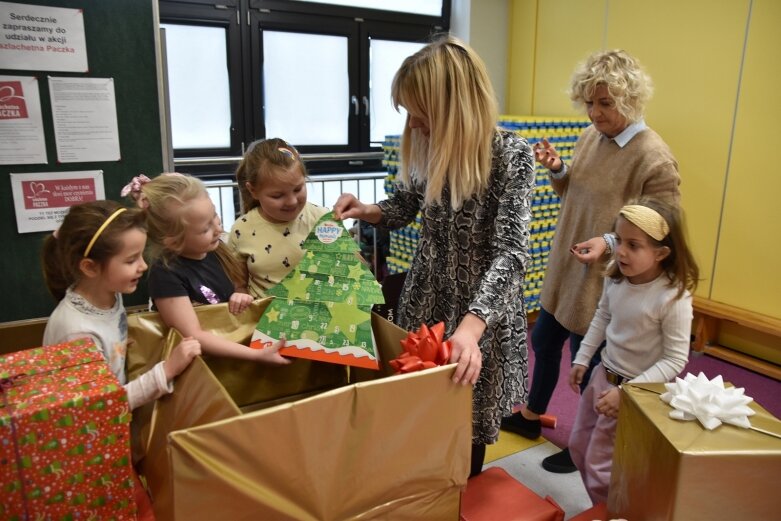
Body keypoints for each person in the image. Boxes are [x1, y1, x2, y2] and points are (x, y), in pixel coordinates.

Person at [333, 35, 536, 478]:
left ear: (450, 104)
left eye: (417, 110)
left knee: (466, 426)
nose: (414, 123)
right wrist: (367, 210)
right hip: (426, 301)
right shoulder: (428, 146)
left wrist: (472, 326)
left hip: (478, 314)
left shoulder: (511, 155)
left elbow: (512, 253)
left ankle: (460, 497)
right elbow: (405, 205)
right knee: (420, 410)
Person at [501, 49, 681, 474]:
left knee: (592, 368)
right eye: (589, 102)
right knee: (544, 343)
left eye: (605, 103)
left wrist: (607, 240)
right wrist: (559, 169)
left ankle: (583, 444)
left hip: (609, 280)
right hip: (568, 270)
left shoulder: (654, 157)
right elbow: (573, 192)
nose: (594, 112)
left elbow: (662, 227)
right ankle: (531, 417)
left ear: (631, 99)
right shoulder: (590, 137)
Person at [568, 198, 699, 504]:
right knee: (578, 446)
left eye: (634, 245)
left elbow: (675, 359)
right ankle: (603, 505)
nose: (621, 250)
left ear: (662, 253)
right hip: (603, 377)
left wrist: (628, 393)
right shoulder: (617, 276)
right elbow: (603, 316)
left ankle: (609, 510)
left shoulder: (672, 297)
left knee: (601, 466)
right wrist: (583, 358)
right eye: (619, 240)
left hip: (635, 393)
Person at [41, 200, 201, 410]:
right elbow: (99, 407)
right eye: (131, 260)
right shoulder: (76, 334)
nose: (143, 266)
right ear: (90, 267)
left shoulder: (110, 294)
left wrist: (115, 349)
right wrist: (167, 370)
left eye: (141, 256)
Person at [123, 173, 289, 365]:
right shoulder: (165, 274)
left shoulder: (215, 248)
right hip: (203, 366)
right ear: (173, 241)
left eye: (215, 216)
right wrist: (256, 355)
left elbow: (236, 286)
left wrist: (240, 295)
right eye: (205, 228)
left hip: (232, 352)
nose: (217, 229)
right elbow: (193, 335)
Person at [229, 138, 329, 297]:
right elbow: (239, 285)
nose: (292, 201)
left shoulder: (322, 219)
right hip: (264, 317)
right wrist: (240, 297)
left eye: (298, 189)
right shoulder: (242, 230)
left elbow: (355, 267)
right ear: (253, 191)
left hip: (319, 316)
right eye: (277, 195)